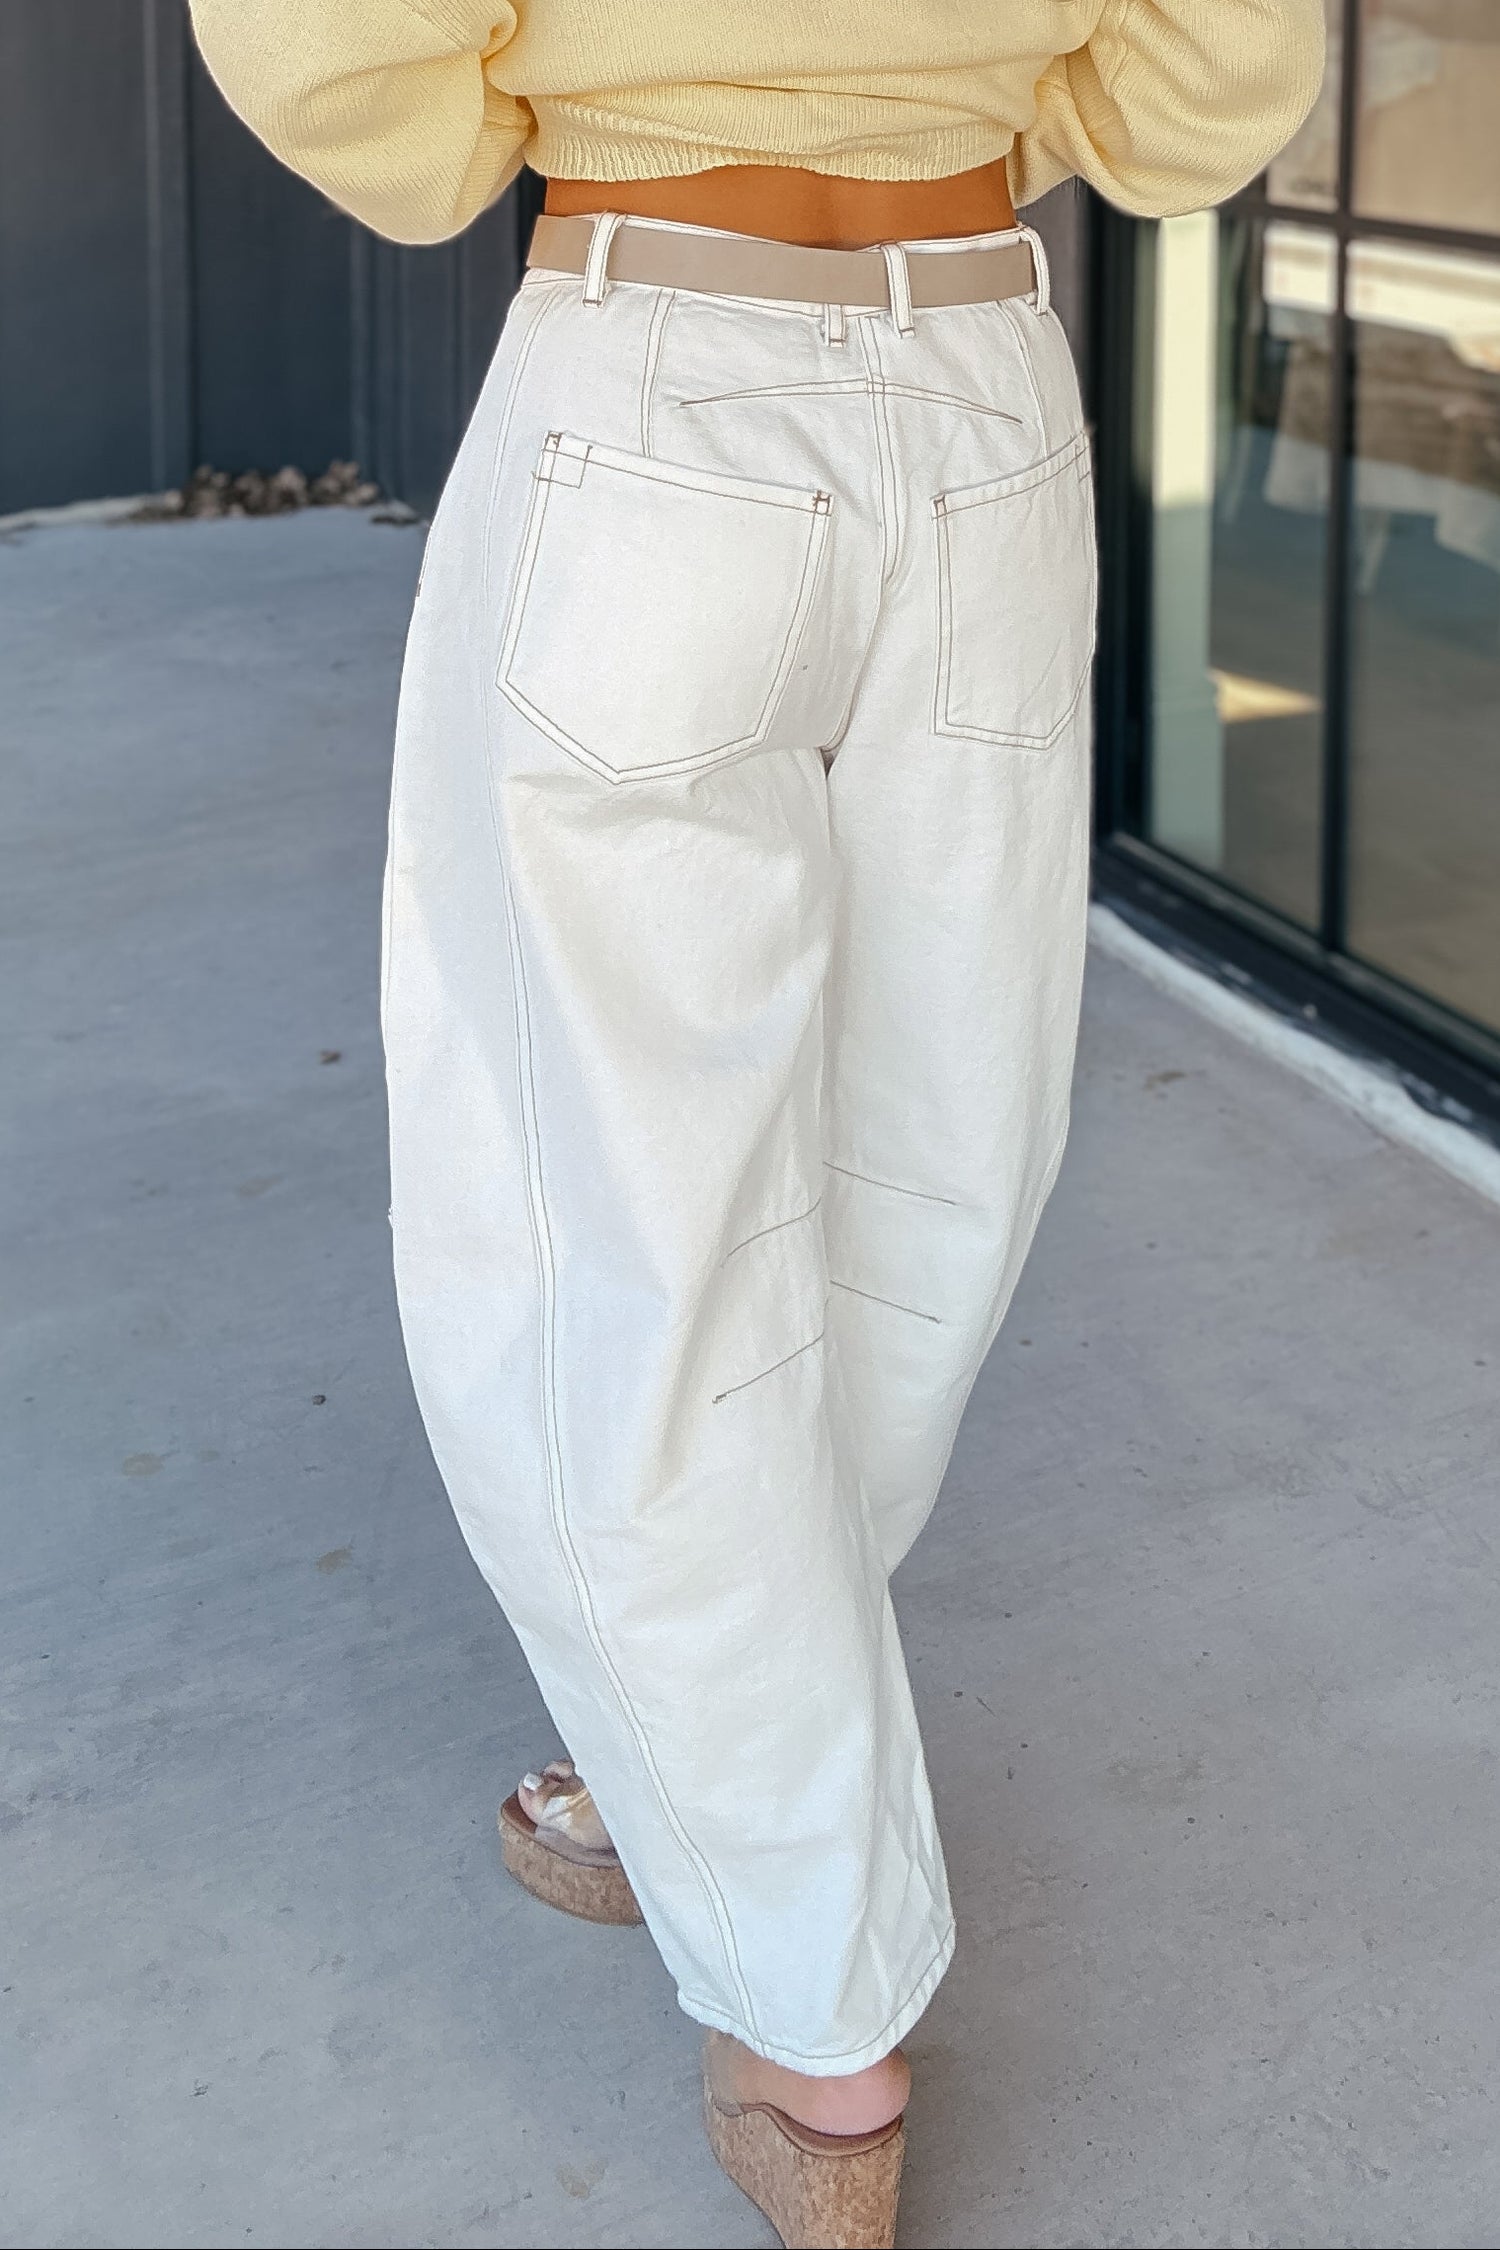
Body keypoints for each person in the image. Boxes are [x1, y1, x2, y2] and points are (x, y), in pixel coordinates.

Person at [189, 7, 1325, 2242]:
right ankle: (694, 1759)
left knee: (596, 1213)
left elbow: (336, 56)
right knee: (925, 1168)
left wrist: (552, 111)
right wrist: (958, 98)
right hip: (981, 378)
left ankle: (816, 2022)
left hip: (654, 365)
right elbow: (1218, 69)